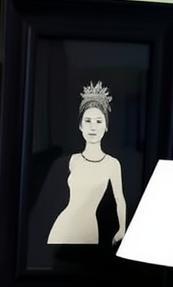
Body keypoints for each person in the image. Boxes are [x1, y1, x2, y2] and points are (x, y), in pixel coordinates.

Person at [47, 81, 127, 246]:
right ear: (80, 126)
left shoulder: (112, 164)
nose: (93, 127)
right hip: (63, 229)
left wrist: (122, 229)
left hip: (89, 231)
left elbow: (120, 199)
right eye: (88, 121)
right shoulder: (72, 161)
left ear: (106, 126)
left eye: (98, 121)